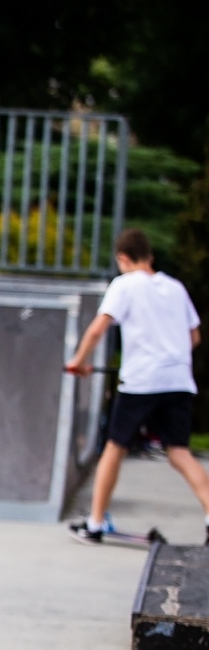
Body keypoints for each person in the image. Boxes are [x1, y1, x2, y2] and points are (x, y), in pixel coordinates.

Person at [66, 229, 209, 545]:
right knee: (179, 452)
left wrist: (78, 361)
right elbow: (194, 337)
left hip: (142, 381)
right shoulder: (175, 287)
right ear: (151, 257)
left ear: (123, 258)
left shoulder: (124, 284)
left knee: (115, 448)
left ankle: (96, 522)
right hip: (178, 380)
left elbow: (97, 329)